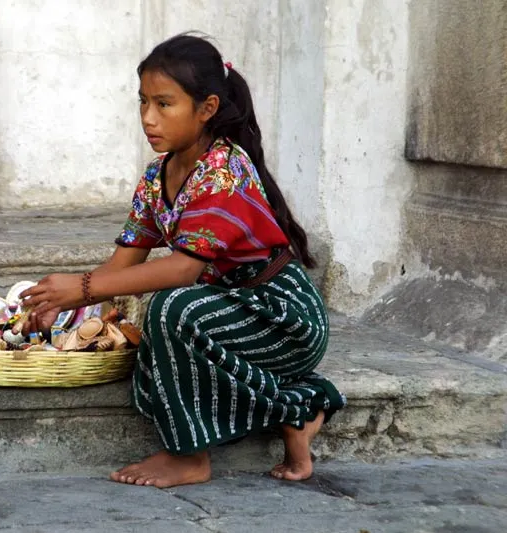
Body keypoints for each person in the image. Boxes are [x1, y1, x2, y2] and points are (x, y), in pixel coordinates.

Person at [20, 33, 346, 488]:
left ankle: (190, 457)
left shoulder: (223, 171)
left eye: (164, 104)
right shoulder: (158, 175)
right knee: (151, 346)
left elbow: (183, 269)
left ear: (207, 108)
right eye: (143, 102)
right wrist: (67, 307)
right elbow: (124, 265)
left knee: (172, 307)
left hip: (280, 317)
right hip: (225, 308)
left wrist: (83, 286)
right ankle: (299, 409)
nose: (148, 119)